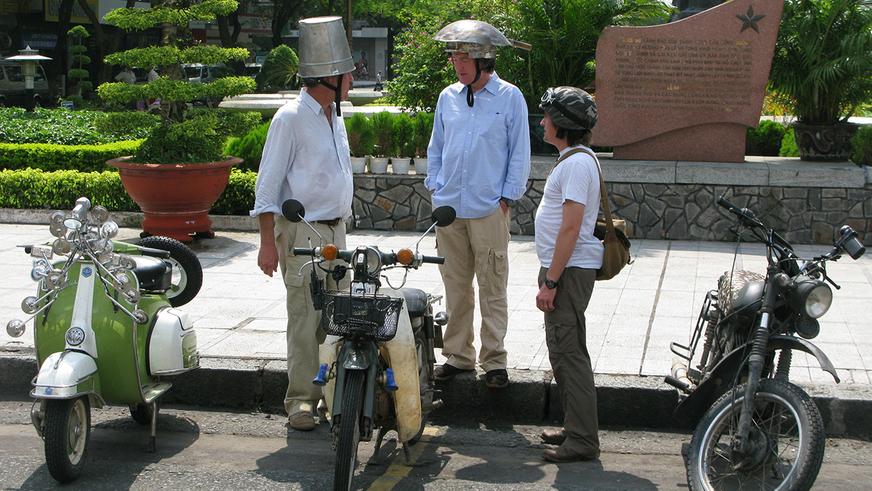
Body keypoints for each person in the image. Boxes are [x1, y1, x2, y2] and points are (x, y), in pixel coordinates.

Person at [251, 16, 355, 431]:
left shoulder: (335, 115)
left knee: (338, 316)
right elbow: (267, 188)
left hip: (336, 230)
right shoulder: (290, 118)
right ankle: (301, 401)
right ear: (328, 77)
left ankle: (332, 392)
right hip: (302, 231)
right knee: (305, 317)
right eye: (347, 72)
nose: (353, 78)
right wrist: (267, 243)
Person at [426, 19, 531, 389]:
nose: (457, 63)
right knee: (455, 286)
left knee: (492, 285)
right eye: (454, 56)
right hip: (450, 208)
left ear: (485, 58)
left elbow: (519, 153)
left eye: (463, 56)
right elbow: (436, 148)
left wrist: (506, 198)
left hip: (488, 208)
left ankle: (494, 360)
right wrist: (435, 187)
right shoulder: (447, 97)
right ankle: (458, 355)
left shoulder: (510, 97)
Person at [534, 86, 603, 463]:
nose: (542, 122)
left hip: (568, 272)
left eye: (547, 117)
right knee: (562, 351)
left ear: (561, 124)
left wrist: (551, 281)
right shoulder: (575, 159)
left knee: (569, 352)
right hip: (565, 269)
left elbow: (571, 228)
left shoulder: (576, 164)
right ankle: (575, 425)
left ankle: (583, 440)